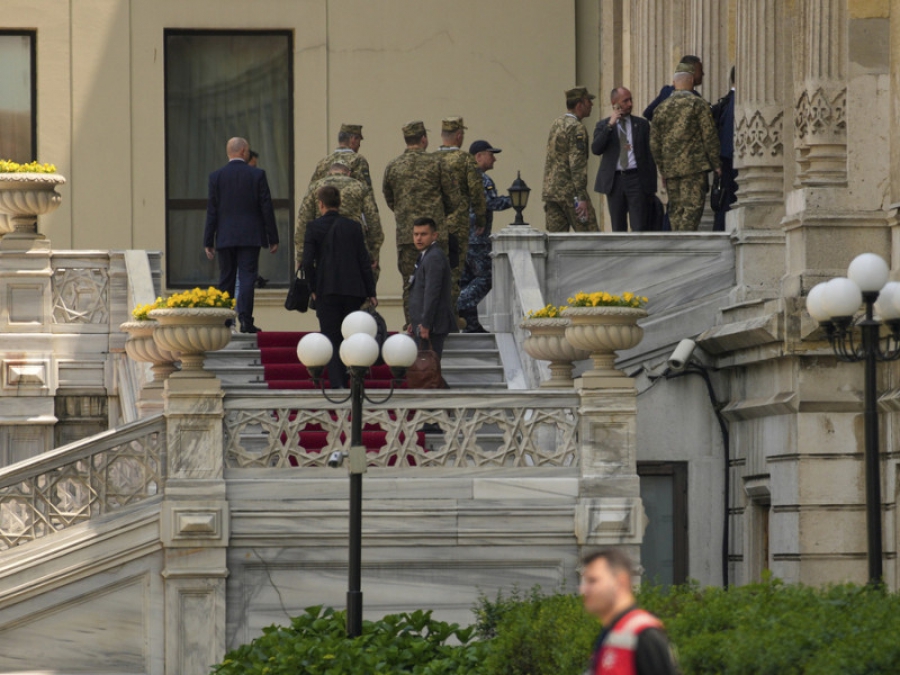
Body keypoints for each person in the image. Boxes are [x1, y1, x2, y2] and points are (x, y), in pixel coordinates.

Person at [383, 120, 459, 325]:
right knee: (440, 283)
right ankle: (441, 327)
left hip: (407, 235)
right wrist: (439, 216)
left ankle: (412, 327)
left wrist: (404, 215)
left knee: (410, 284)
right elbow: (453, 198)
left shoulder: (393, 166)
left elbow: (390, 199)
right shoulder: (438, 163)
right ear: (424, 139)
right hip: (435, 235)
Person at [302, 185, 377, 388]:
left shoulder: (313, 227)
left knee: (332, 337)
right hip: (353, 291)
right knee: (352, 336)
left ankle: (338, 384)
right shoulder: (353, 226)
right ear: (339, 203)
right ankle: (356, 381)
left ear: (320, 204)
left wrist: (313, 288)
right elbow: (364, 260)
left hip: (326, 291)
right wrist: (371, 292)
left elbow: (307, 262)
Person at [203, 136, 279, 334]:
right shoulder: (257, 175)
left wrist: (208, 240)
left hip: (225, 237)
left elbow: (212, 211)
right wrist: (273, 238)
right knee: (247, 277)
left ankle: (225, 321)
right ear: (244, 151)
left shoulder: (216, 177)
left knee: (226, 278)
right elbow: (266, 208)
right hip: (250, 236)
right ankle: (245, 320)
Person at [580, 549, 679, 675]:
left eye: (593, 581)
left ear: (621, 582)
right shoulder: (611, 633)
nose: (583, 590)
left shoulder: (645, 634)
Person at [650, 69, 721, 232]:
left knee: (675, 210)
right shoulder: (698, 104)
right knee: (692, 209)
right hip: (694, 168)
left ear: (675, 84)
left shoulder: (661, 108)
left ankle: (678, 244)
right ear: (690, 83)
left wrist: (662, 169)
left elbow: (654, 143)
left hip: (671, 170)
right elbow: (709, 135)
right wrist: (716, 164)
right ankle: (685, 243)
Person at [436, 117, 487, 326]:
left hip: (434, 226)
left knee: (434, 271)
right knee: (454, 273)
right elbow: (477, 191)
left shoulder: (432, 159)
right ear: (459, 135)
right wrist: (481, 218)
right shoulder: (465, 160)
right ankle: (450, 318)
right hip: (458, 227)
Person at [296, 159, 383, 281]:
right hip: (353, 250)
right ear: (348, 173)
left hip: (322, 250)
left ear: (329, 173)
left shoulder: (316, 187)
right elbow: (373, 220)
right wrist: (373, 254)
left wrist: (301, 256)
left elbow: (302, 221)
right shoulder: (359, 187)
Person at [458, 140, 511, 332]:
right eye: (491, 154)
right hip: (477, 241)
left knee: (466, 280)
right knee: (487, 277)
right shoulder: (481, 179)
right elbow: (492, 203)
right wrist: (514, 198)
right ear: (479, 156)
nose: (494, 159)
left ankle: (471, 324)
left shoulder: (461, 177)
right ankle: (456, 304)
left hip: (462, 239)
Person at [592, 87, 658, 232]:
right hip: (615, 181)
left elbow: (650, 155)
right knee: (618, 226)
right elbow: (596, 149)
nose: (630, 104)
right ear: (614, 103)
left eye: (631, 100)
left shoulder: (641, 125)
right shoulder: (603, 125)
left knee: (639, 225)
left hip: (636, 179)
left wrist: (652, 186)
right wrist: (610, 125)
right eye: (625, 101)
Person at [542, 86, 599, 232]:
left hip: (552, 193)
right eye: (588, 101)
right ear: (579, 104)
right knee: (592, 239)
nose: (591, 104)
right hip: (570, 194)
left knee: (556, 243)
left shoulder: (556, 124)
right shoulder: (576, 128)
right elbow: (577, 163)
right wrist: (581, 196)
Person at [407, 217, 455, 359]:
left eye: (423, 234)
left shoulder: (433, 257)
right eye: (416, 234)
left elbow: (431, 293)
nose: (419, 238)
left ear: (434, 235)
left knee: (428, 372)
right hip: (423, 324)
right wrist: (415, 321)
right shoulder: (426, 256)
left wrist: (426, 324)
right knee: (427, 372)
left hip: (431, 327)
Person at [711, 66, 737, 232]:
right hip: (731, 159)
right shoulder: (734, 100)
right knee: (728, 200)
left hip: (726, 158)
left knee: (725, 199)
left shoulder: (727, 100)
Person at [643, 55, 705, 122]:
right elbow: (648, 113)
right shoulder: (667, 92)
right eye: (700, 70)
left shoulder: (667, 91)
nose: (703, 74)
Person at [309, 123, 372, 188]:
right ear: (353, 139)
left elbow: (312, 190)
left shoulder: (323, 162)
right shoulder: (358, 161)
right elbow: (366, 189)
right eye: (359, 140)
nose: (359, 145)